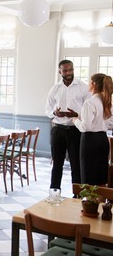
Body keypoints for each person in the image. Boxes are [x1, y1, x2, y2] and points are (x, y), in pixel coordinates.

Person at [45, 59, 90, 191]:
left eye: (70, 69)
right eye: (65, 70)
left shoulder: (83, 87)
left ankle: (76, 195)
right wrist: (54, 112)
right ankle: (54, 192)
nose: (68, 72)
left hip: (75, 130)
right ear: (60, 71)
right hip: (57, 130)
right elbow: (47, 110)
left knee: (76, 165)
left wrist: (75, 114)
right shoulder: (55, 89)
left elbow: (87, 110)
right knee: (57, 164)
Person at [73, 73, 113, 186]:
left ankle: (89, 203)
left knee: (88, 176)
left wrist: (75, 121)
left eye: (89, 81)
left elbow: (86, 127)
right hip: (103, 140)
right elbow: (111, 124)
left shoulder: (89, 102)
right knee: (101, 178)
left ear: (94, 84)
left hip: (90, 141)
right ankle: (100, 203)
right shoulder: (108, 102)